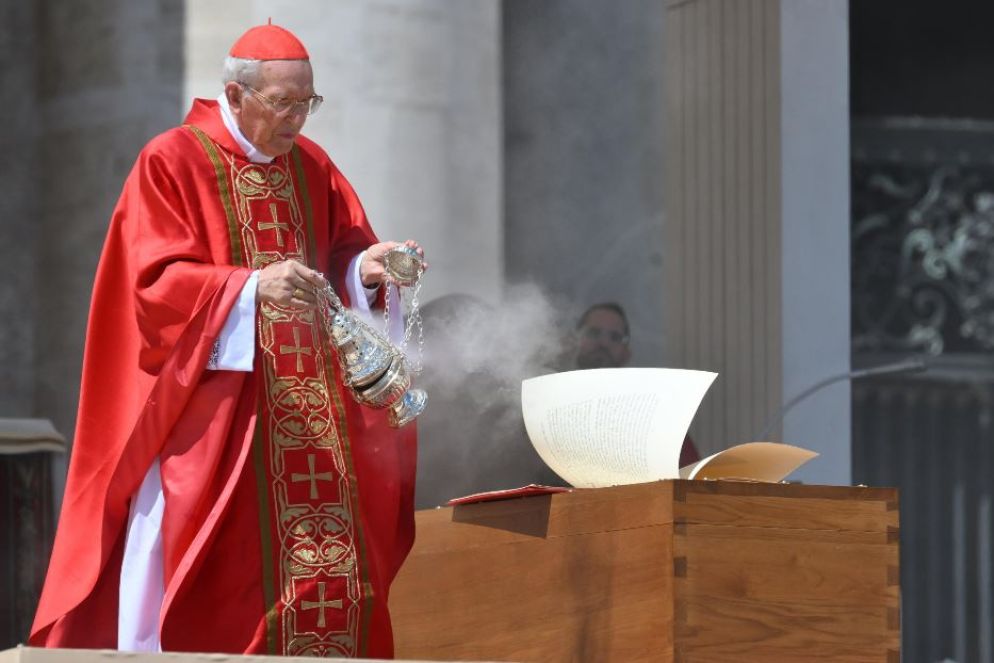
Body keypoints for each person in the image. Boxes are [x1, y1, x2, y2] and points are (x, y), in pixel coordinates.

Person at [30, 22, 422, 659]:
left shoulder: (313, 165)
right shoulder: (172, 160)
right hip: (218, 420)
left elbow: (343, 254)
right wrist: (248, 289)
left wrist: (367, 271)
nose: (298, 119)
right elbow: (154, 286)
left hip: (309, 421)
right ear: (236, 97)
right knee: (217, 581)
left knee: (335, 581)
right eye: (283, 103)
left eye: (308, 102)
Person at [572, 303, 700, 466]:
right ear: (573, 341)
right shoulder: (546, 399)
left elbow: (688, 472)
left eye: (615, 337)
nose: (603, 343)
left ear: (626, 353)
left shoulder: (651, 411)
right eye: (593, 333)